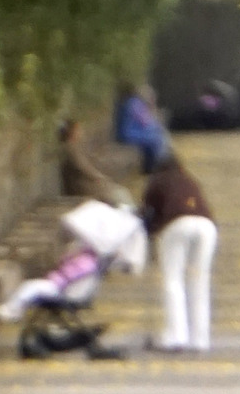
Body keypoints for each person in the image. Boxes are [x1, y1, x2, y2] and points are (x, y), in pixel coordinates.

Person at [141, 151, 217, 353]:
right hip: (206, 226)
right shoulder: (190, 179)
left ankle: (176, 335)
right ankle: (200, 340)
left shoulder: (157, 181)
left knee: (173, 280)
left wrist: (148, 235)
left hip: (176, 225)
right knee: (199, 280)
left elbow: (147, 212)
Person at [58, 116, 125, 205]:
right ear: (72, 132)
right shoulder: (70, 149)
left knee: (119, 192)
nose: (81, 132)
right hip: (82, 187)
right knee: (119, 194)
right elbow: (84, 168)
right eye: (78, 129)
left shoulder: (76, 147)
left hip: (87, 184)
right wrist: (100, 178)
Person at [111, 79, 172, 174]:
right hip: (129, 134)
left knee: (154, 138)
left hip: (123, 133)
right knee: (157, 139)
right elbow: (145, 121)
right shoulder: (133, 103)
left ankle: (150, 167)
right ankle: (157, 166)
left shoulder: (122, 102)